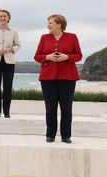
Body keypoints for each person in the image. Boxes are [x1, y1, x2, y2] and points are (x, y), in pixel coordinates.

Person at [34, 14, 82, 144]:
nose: (48, 25)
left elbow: (78, 55)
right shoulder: (44, 38)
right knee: (50, 108)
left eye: (50, 23)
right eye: (48, 23)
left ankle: (66, 136)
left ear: (59, 24)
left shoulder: (72, 37)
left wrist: (67, 57)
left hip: (68, 78)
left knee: (66, 108)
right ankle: (50, 135)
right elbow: (37, 56)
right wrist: (47, 57)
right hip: (48, 78)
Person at [0, 9, 21, 118]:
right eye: (0, 16)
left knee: (8, 87)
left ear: (8, 18)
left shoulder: (14, 31)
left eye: (4, 16)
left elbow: (18, 45)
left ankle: (6, 112)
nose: (2, 18)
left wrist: (10, 49)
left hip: (9, 62)